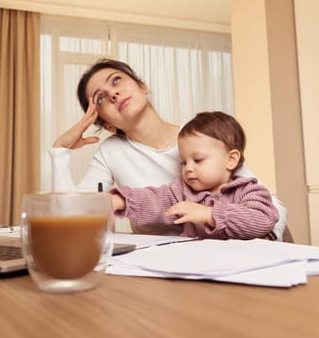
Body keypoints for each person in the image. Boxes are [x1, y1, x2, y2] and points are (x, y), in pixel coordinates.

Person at [50, 59, 287, 239]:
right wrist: (60, 151)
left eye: (116, 80)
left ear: (142, 86)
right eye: (100, 98)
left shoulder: (202, 137)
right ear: (105, 123)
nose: (113, 93)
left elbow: (269, 208)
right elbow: (72, 215)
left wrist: (256, 243)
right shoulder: (111, 152)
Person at [109, 111, 279, 240]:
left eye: (198, 160)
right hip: (199, 270)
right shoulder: (182, 193)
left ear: (231, 160)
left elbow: (262, 220)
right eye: (183, 162)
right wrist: (121, 201)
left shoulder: (250, 191)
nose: (188, 168)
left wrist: (209, 214)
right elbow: (153, 200)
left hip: (246, 270)